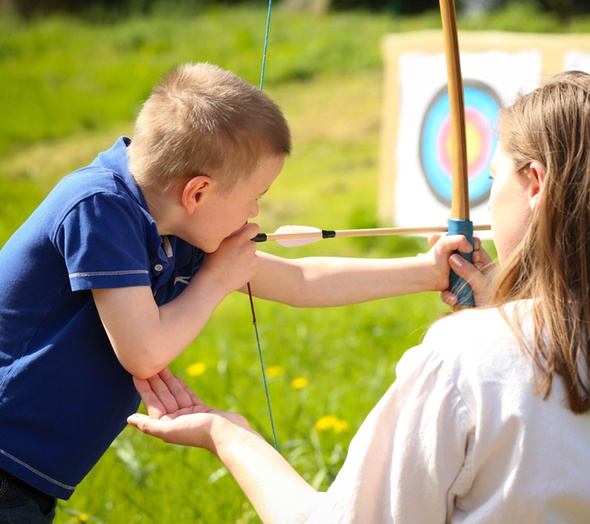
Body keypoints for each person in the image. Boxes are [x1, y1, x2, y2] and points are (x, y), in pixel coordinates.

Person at [127, 70, 590, 523]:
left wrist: (229, 434)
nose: (489, 200)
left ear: (535, 184)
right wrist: (499, 314)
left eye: (495, 180)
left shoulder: (468, 357)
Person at [0, 62, 475, 523]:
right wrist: (216, 279)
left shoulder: (172, 222)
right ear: (198, 193)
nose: (254, 215)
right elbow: (143, 351)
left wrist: (426, 272)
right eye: (255, 197)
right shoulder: (101, 209)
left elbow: (298, 281)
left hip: (28, 478)